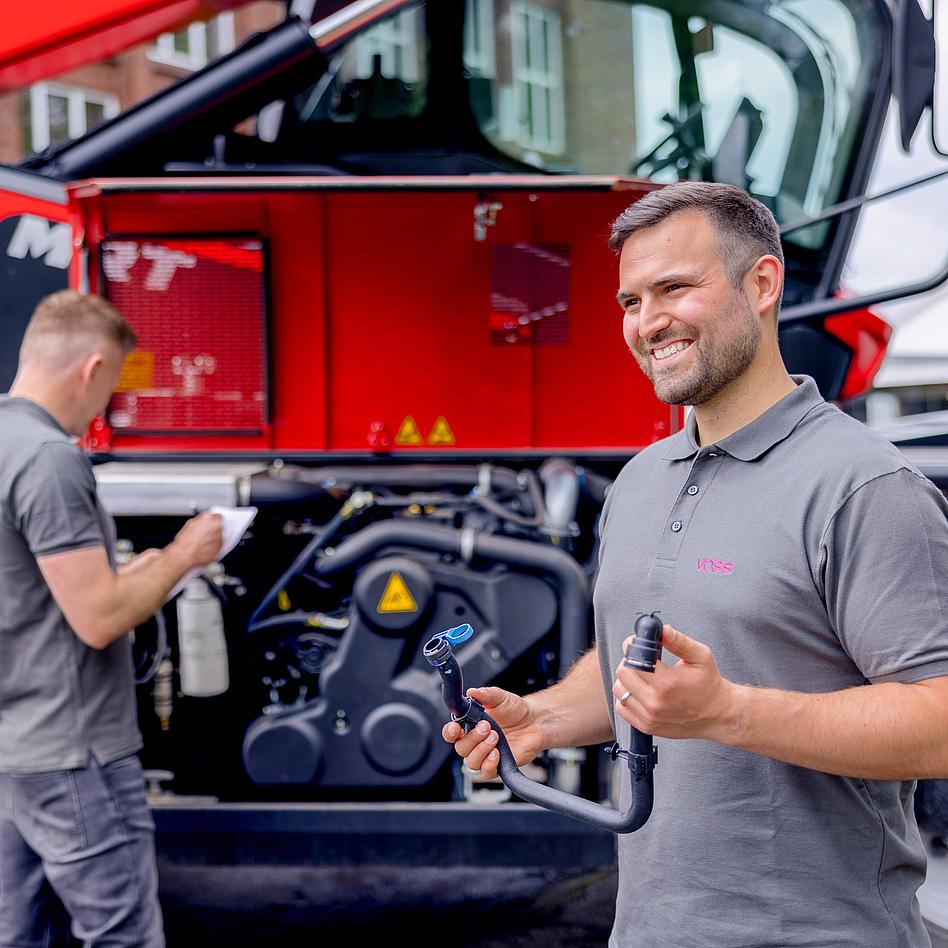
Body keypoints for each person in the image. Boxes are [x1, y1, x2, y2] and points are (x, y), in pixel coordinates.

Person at [443, 181, 948, 946]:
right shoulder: (642, 478)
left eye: (675, 288)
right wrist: (543, 717)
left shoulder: (865, 487)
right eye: (629, 301)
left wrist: (728, 712)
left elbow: (939, 720)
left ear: (763, 284)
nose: (648, 323)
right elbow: (638, 673)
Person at [0, 290, 223, 947]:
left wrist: (131, 575)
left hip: (14, 746)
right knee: (121, 935)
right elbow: (97, 618)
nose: (107, 408)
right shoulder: (48, 459)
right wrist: (183, 555)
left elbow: (32, 592)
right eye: (113, 386)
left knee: (16, 935)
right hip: (74, 752)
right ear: (93, 367)